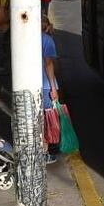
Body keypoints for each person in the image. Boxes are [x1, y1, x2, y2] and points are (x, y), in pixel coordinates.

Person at [41, 13, 60, 163]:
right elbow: (49, 64)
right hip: (46, 86)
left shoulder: (26, 38)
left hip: (31, 85)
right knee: (46, 121)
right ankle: (44, 153)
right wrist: (54, 88)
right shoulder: (47, 40)